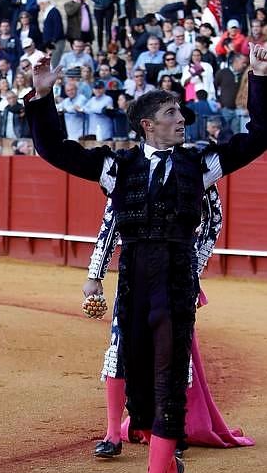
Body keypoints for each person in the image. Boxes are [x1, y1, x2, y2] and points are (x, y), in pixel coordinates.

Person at [25, 47, 267, 473]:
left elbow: (260, 135)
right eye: (172, 113)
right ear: (146, 125)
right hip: (134, 283)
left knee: (170, 382)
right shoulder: (119, 167)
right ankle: (169, 469)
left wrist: (260, 76)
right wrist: (43, 96)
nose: (182, 120)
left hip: (176, 282)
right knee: (140, 389)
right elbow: (54, 150)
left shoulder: (201, 165)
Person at [86, 188, 254, 459]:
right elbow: (112, 220)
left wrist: (193, 267)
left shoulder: (194, 166)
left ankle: (171, 432)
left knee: (174, 355)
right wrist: (95, 275)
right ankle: (112, 434)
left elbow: (214, 219)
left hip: (175, 276)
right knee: (120, 349)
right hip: (134, 273)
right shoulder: (132, 167)